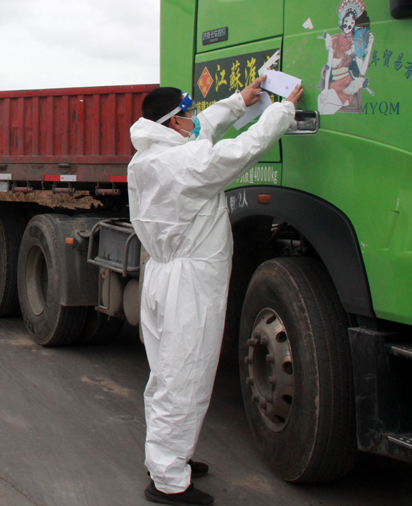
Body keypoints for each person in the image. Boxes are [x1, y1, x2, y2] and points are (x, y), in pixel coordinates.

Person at [128, 76, 302, 505]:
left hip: (164, 277)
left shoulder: (149, 158)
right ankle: (168, 480)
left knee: (167, 375)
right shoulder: (184, 163)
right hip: (188, 287)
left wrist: (239, 101)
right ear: (173, 122)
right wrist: (281, 112)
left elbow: (203, 132)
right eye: (187, 114)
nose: (194, 119)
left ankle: (168, 457)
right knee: (184, 376)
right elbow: (239, 151)